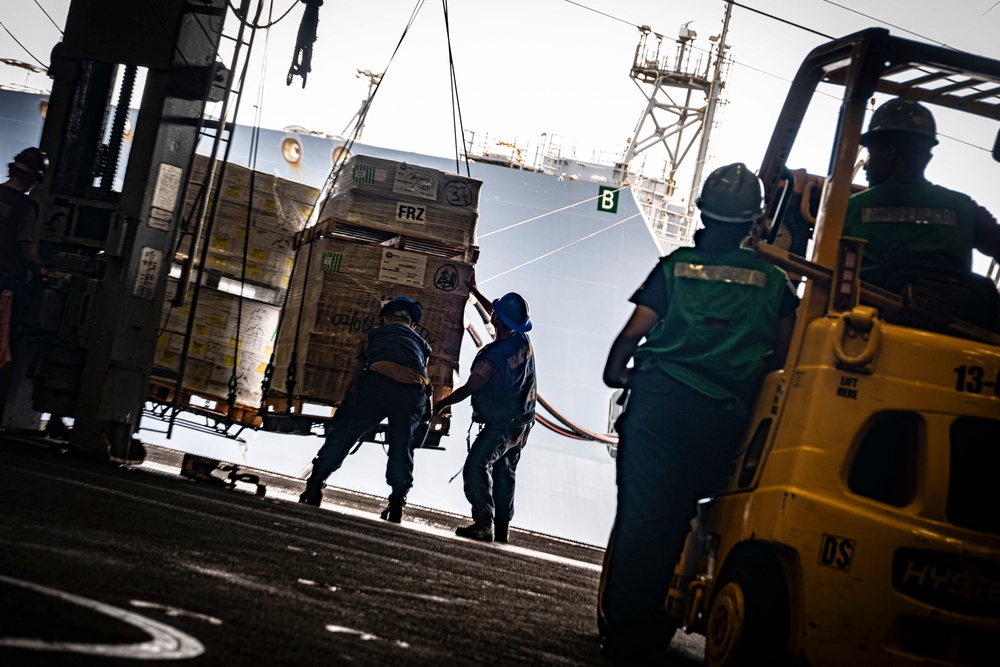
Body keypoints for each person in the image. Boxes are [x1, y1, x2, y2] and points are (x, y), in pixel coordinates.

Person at [597, 163, 799, 660]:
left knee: (644, 522)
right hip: (723, 421)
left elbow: (628, 340)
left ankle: (627, 637)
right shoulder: (774, 284)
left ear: (703, 215)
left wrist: (619, 374)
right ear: (755, 223)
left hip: (659, 409)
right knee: (692, 516)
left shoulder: (676, 267)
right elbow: (785, 359)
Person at [299, 296, 432, 523]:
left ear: (384, 319)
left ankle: (314, 486)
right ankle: (397, 503)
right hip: (413, 394)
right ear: (412, 324)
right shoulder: (422, 344)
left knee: (345, 434)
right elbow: (422, 374)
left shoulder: (373, 335)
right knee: (402, 446)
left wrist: (348, 401)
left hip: (377, 385)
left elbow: (357, 373)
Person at [844, 98, 1000, 287]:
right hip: (951, 316)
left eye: (871, 153)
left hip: (867, 314)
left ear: (889, 153)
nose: (866, 166)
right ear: (927, 156)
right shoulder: (966, 209)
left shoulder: (850, 209)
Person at [434, 284, 536, 544]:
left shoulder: (493, 359)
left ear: (498, 319)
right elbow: (496, 310)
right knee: (505, 474)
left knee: (477, 466)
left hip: (502, 425)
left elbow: (468, 389)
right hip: (522, 425)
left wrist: (438, 404)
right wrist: (475, 291)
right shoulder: (521, 340)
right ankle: (502, 532)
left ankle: (483, 524)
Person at [1, 147, 49, 421]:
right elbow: (29, 254)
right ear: (33, 179)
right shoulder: (26, 207)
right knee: (3, 351)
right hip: (5, 289)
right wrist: (42, 271)